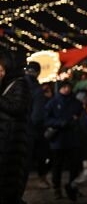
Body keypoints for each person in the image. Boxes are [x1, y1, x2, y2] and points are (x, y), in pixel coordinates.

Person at [44, 80, 83, 201]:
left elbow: (81, 117)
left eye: (68, 87)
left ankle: (72, 187)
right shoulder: (53, 102)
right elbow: (45, 119)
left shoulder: (76, 102)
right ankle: (57, 188)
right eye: (64, 87)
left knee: (74, 166)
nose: (66, 89)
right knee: (57, 166)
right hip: (58, 141)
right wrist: (60, 123)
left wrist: (75, 122)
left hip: (73, 140)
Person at [0, 50, 30, 204]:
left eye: (1, 69)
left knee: (9, 189)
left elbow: (17, 107)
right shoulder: (6, 84)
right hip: (6, 141)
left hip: (13, 143)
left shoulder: (20, 84)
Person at [22, 61, 48, 190]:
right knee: (35, 157)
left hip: (15, 128)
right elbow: (37, 116)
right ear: (38, 73)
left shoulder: (18, 83)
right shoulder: (37, 89)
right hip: (31, 131)